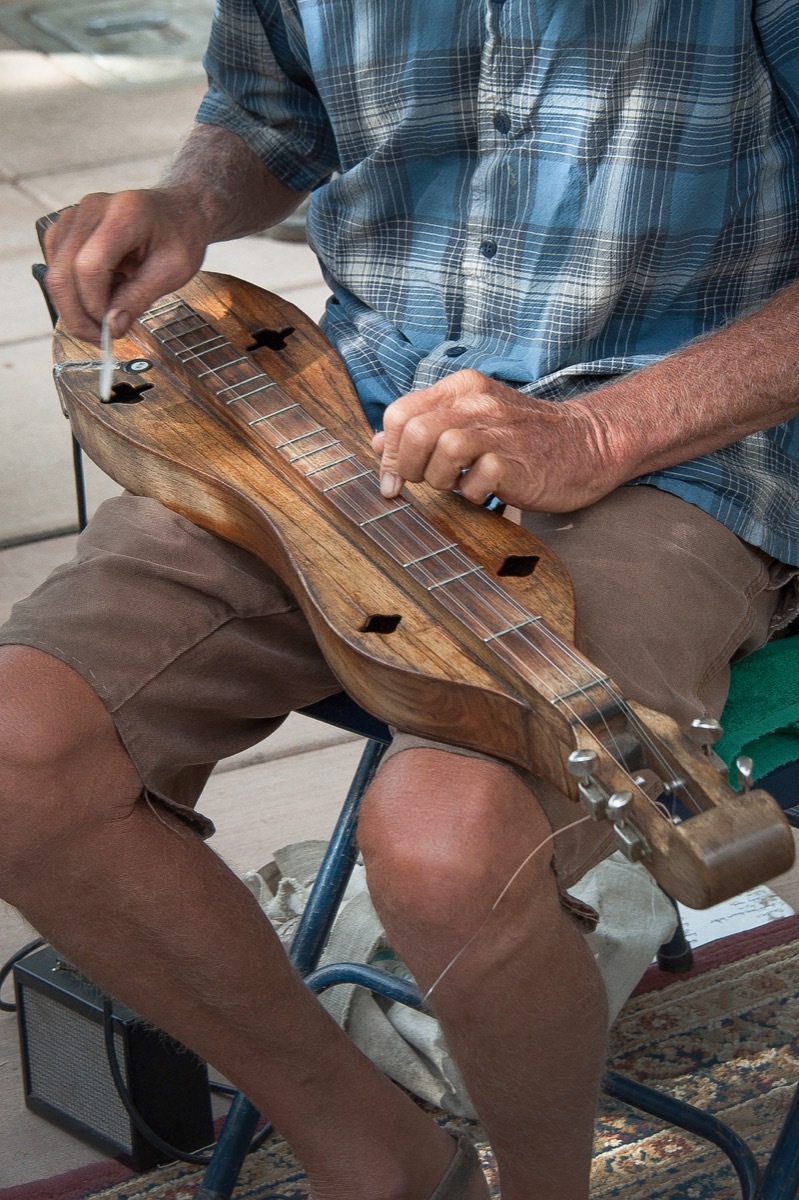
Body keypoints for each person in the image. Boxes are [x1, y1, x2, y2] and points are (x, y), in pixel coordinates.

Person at [3, 2, 799, 1197]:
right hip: (353, 411)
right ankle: (369, 1151)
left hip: (678, 450)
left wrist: (597, 432)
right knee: (21, 754)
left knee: (446, 846)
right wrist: (188, 200)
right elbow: (268, 112)